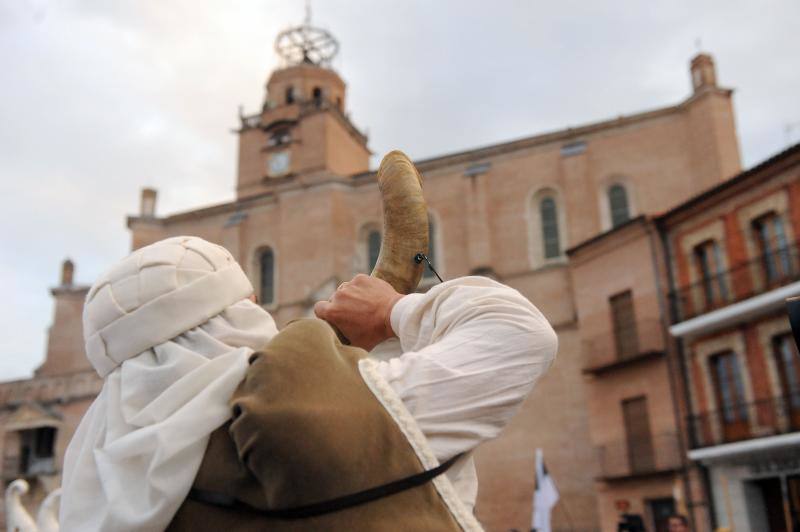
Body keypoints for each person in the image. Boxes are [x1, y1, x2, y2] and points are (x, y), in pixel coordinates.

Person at [60, 236, 557, 531]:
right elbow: (519, 334)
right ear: (233, 314)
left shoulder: (101, 488)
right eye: (249, 302)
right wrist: (391, 310)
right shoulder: (301, 413)